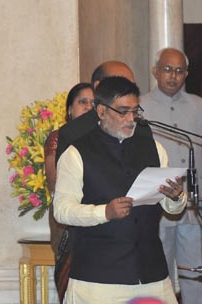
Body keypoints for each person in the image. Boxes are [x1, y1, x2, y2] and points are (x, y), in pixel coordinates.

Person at [53, 76, 187, 304]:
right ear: (101, 111)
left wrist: (176, 197)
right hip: (98, 280)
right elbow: (62, 210)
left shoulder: (155, 148)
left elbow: (171, 208)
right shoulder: (76, 153)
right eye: (123, 111)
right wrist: (104, 212)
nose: (131, 119)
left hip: (151, 275)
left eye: (135, 111)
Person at [141, 47, 202, 303]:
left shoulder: (199, 106)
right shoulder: (141, 106)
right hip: (157, 206)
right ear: (156, 71)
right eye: (167, 69)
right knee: (160, 276)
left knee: (195, 277)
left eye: (179, 71)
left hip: (192, 205)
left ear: (186, 74)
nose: (173, 76)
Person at [43, 83, 93, 302]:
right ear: (70, 110)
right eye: (83, 102)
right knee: (70, 279)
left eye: (94, 103)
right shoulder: (58, 137)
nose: (89, 107)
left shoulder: (106, 138)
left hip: (99, 214)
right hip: (66, 217)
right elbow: (54, 181)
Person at [55, 61, 140, 161]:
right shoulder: (73, 133)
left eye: (132, 85)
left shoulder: (141, 129)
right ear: (98, 87)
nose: (128, 91)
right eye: (120, 84)